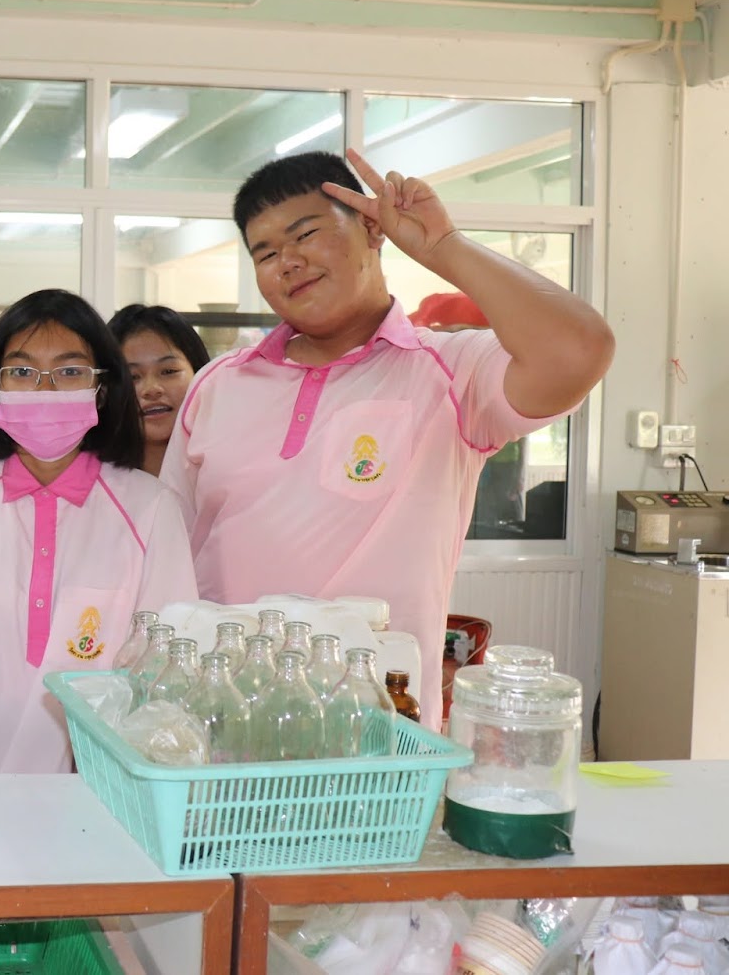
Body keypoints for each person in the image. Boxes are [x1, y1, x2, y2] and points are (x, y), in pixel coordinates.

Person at [159, 149, 614, 725]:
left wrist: (443, 247)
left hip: (379, 725)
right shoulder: (219, 384)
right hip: (224, 714)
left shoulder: (450, 371)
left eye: (306, 234)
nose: (288, 262)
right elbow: (167, 548)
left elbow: (581, 349)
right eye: (265, 253)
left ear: (373, 229)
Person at [0, 289, 199, 774]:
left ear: (102, 388)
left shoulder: (151, 508)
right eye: (22, 372)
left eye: (70, 372)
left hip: (103, 797)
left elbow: (162, 684)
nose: (45, 390)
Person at [107, 304, 211, 476]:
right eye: (132, 377)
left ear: (200, 372)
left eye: (169, 371)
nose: (152, 389)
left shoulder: (229, 472)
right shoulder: (94, 484)